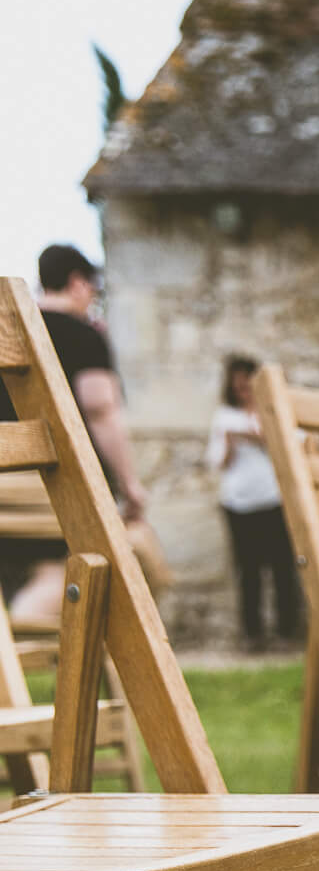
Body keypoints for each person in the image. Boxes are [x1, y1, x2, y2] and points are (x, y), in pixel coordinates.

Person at [1, 245, 152, 627]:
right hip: (57, 489)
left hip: (6, 491)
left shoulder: (8, 333)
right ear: (76, 282)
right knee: (70, 569)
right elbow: (101, 410)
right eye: (93, 289)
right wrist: (131, 486)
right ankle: (29, 629)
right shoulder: (83, 335)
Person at [210, 354, 299, 649]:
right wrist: (232, 442)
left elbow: (295, 449)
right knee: (248, 571)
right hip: (239, 503)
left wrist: (262, 437)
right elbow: (217, 462)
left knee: (283, 568)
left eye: (248, 384)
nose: (243, 390)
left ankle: (287, 630)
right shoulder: (225, 417)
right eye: (239, 386)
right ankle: (253, 634)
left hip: (275, 500)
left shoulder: (277, 413)